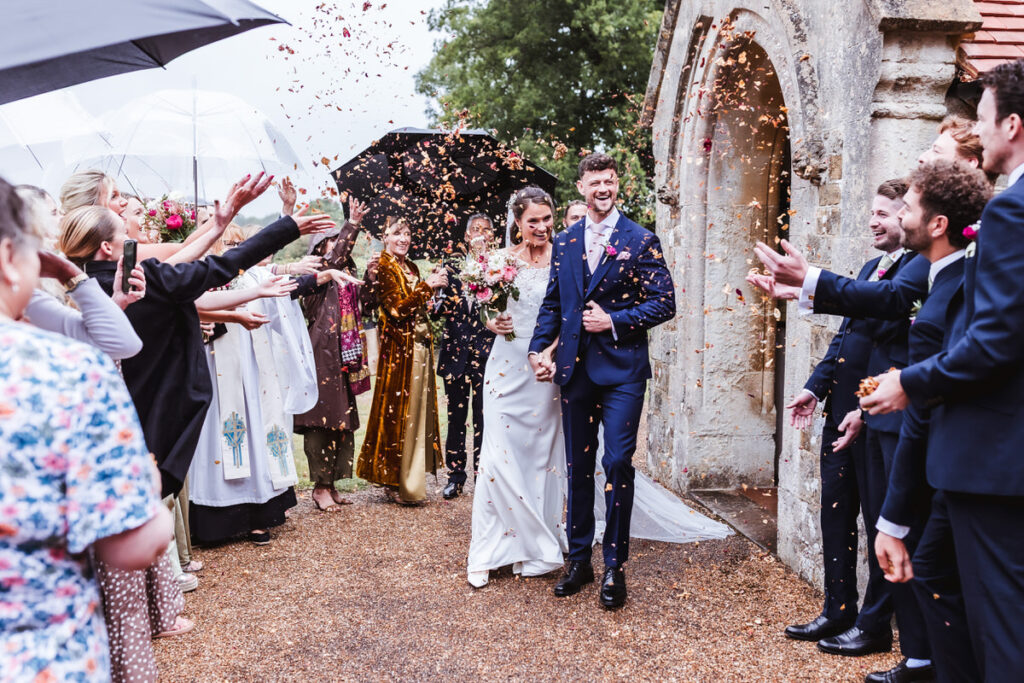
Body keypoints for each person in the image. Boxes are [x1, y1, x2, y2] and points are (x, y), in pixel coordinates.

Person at [861, 59, 1024, 680]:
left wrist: (909, 380)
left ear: (1012, 124)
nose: (976, 133)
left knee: (1004, 632)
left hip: (995, 461)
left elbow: (994, 341)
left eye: (981, 119)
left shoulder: (1011, 213)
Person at [57, 175, 335, 498]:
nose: (134, 241)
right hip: (156, 416)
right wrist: (286, 229)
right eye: (126, 236)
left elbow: (183, 261)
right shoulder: (142, 281)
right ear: (107, 247)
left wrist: (220, 226)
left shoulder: (81, 293)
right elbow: (221, 266)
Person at [0, 176, 173, 682]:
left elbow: (121, 340)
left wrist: (85, 287)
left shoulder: (38, 311)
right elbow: (132, 545)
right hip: (39, 657)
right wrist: (146, 482)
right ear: (10, 258)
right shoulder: (65, 370)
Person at [529, 153, 677, 609]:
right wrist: (537, 349)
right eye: (595, 182)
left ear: (616, 184)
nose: (603, 189)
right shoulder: (566, 241)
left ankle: (614, 565)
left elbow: (665, 302)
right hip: (575, 372)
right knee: (578, 465)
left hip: (623, 373)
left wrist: (614, 320)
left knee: (616, 462)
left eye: (609, 181)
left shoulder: (641, 239)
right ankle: (579, 560)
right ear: (581, 188)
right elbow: (554, 304)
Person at [188, 245, 317, 546]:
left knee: (257, 431)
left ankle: (260, 514)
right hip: (214, 367)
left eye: (238, 244)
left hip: (253, 369)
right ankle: (214, 521)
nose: (234, 250)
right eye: (228, 244)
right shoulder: (201, 274)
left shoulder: (254, 276)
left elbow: (281, 295)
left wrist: (308, 273)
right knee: (215, 436)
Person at [357, 217, 448, 505]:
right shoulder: (383, 266)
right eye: (397, 233)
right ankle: (392, 477)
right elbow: (396, 309)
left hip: (419, 347)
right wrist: (426, 287)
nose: (404, 238)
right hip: (398, 351)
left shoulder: (411, 267)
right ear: (385, 236)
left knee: (416, 411)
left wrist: (432, 293)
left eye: (407, 233)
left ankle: (411, 472)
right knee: (396, 413)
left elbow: (417, 306)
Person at [294, 197, 372, 511]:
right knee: (320, 423)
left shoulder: (346, 277)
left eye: (337, 241)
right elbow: (334, 261)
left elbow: (368, 305)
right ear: (318, 251)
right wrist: (351, 224)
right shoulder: (316, 277)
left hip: (345, 356)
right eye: (329, 242)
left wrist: (373, 276)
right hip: (322, 356)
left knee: (342, 421)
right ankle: (320, 487)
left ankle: (333, 483)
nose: (336, 247)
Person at [435, 213, 496, 500]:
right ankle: (455, 476)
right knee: (456, 418)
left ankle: (482, 475)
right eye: (476, 229)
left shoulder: (499, 267)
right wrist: (434, 292)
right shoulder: (450, 266)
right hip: (455, 353)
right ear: (467, 236)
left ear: (492, 236)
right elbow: (437, 310)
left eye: (486, 229)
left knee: (485, 418)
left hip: (488, 354)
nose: (481, 234)